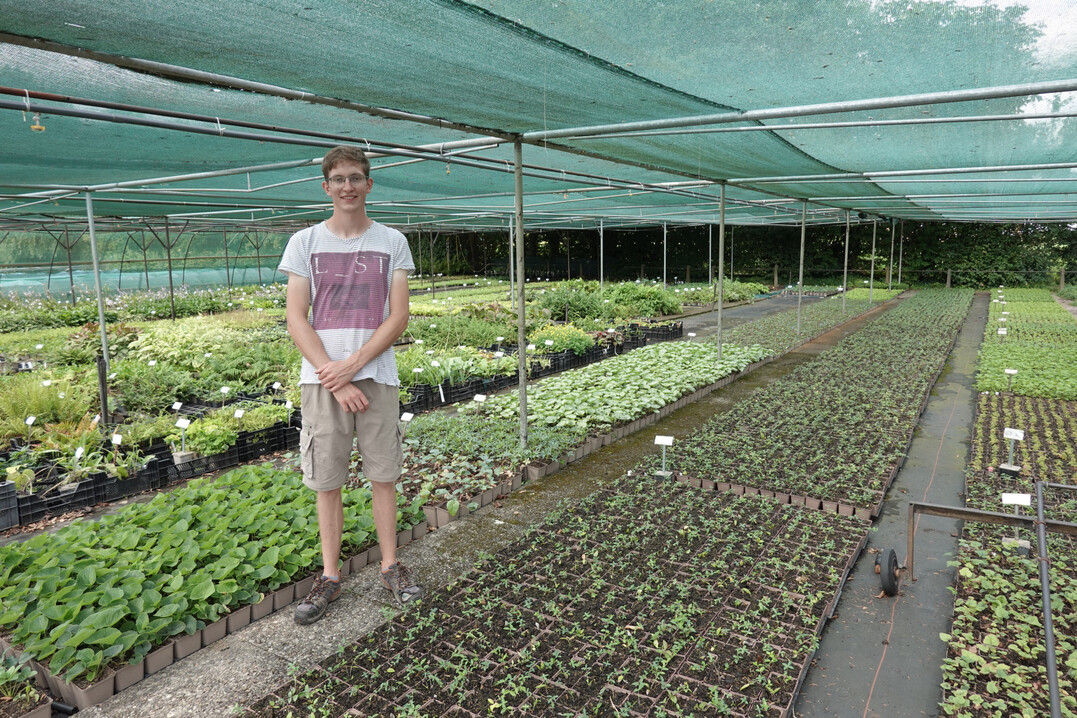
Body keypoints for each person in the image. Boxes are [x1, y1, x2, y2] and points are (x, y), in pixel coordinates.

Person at [278, 145, 421, 625]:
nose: (347, 186)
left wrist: (356, 364)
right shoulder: (305, 242)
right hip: (321, 382)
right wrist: (336, 379)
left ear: (369, 184)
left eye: (356, 178)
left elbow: (398, 316)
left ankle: (390, 566)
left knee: (384, 475)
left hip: (377, 376)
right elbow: (296, 317)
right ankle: (330, 576)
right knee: (327, 481)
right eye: (338, 179)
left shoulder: (391, 241)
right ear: (326, 186)